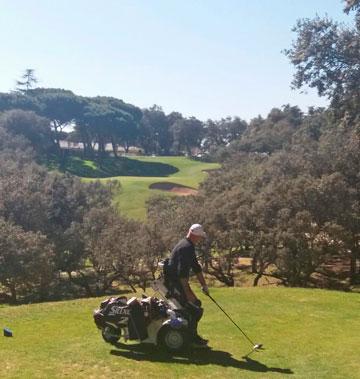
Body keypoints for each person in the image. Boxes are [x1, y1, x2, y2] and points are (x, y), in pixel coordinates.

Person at [166, 223, 210, 347]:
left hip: (177, 283)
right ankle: (192, 339)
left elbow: (196, 267)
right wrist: (187, 292)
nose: (201, 239)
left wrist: (204, 286)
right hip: (175, 284)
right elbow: (182, 274)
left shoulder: (187, 245)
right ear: (195, 236)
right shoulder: (186, 248)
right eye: (200, 237)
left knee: (195, 307)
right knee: (194, 309)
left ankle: (192, 337)